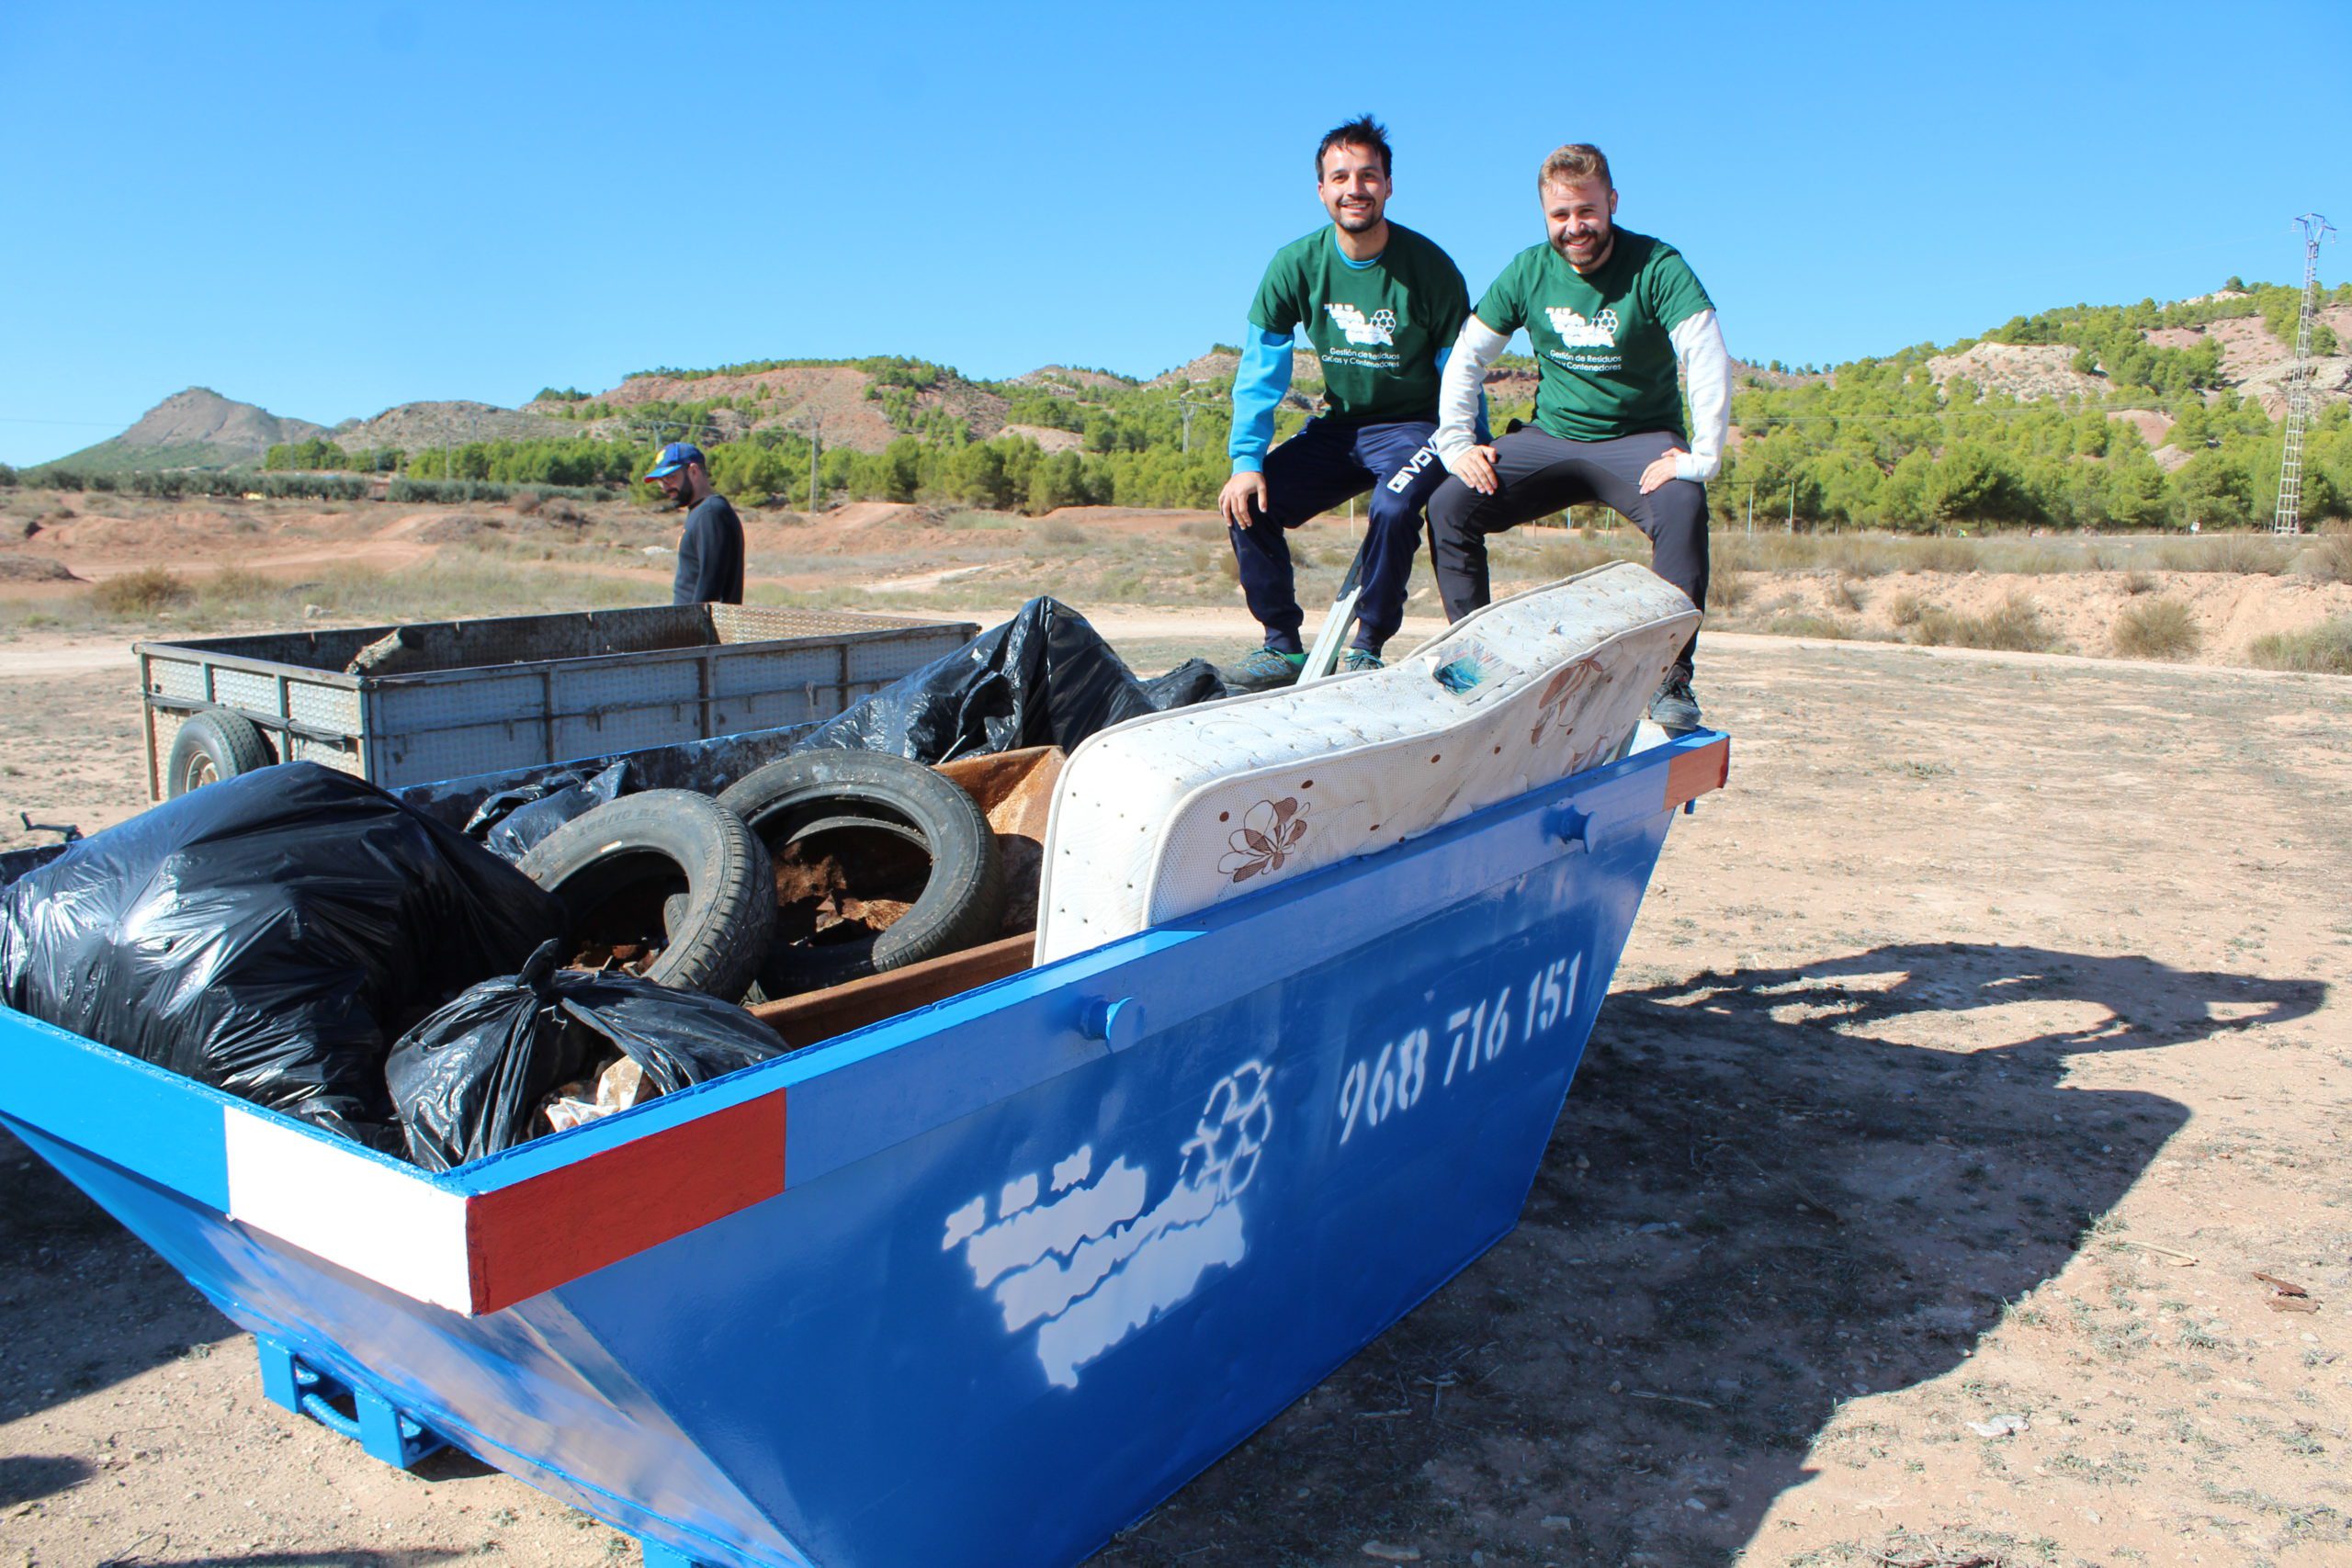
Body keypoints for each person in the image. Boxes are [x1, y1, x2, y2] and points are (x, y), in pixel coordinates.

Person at [1426, 143, 1729, 731]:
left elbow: (1705, 350)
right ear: (1545, 216)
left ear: (1611, 202)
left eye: (1587, 211)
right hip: (1553, 438)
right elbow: (1467, 356)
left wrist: (1703, 457)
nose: (1575, 228)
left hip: (1639, 442)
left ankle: (1670, 678)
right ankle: (1473, 672)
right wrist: (1457, 444)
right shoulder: (1527, 271)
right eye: (1560, 216)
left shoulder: (1656, 265)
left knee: (1682, 503)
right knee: (1449, 503)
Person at [1216, 114, 1481, 690]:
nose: (1354, 189)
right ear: (1321, 190)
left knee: (1392, 508)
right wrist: (1246, 460)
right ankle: (1281, 649)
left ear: (1388, 184)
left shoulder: (1430, 269)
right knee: (1247, 500)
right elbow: (1262, 370)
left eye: (1367, 176)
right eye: (1340, 177)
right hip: (1339, 430)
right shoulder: (1295, 265)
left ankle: (1367, 646)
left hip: (1416, 428)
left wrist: (1470, 442)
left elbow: (1459, 373)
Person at [643, 442, 744, 606]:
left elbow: (710, 583)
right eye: (660, 480)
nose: (664, 487)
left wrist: (693, 627)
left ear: (693, 471)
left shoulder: (710, 513)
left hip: (700, 628)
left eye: (670, 477)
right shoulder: (702, 511)